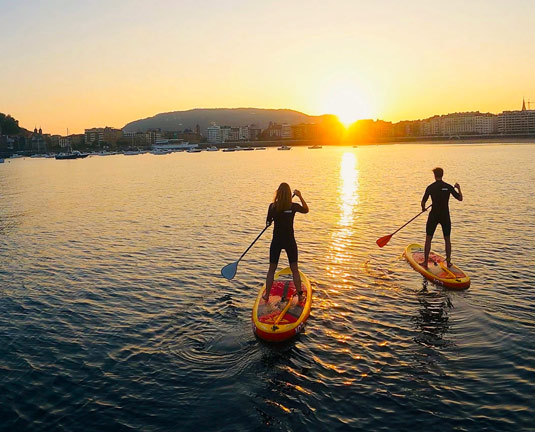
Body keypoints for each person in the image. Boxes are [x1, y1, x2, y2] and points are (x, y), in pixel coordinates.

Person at [263, 183, 309, 303]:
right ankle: (300, 296)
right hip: (289, 241)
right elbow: (306, 210)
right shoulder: (293, 206)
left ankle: (267, 295)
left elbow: (267, 223)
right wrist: (300, 196)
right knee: (294, 269)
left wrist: (270, 221)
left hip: (276, 241)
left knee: (271, 269)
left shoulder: (272, 207)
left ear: (278, 193)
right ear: (289, 194)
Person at [421, 167, 463, 268]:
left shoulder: (430, 187)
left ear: (434, 175)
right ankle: (448, 262)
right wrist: (458, 188)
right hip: (445, 216)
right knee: (447, 239)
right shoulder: (448, 187)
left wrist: (423, 209)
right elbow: (460, 198)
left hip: (434, 215)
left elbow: (423, 202)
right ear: (442, 175)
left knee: (428, 239)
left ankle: (425, 262)